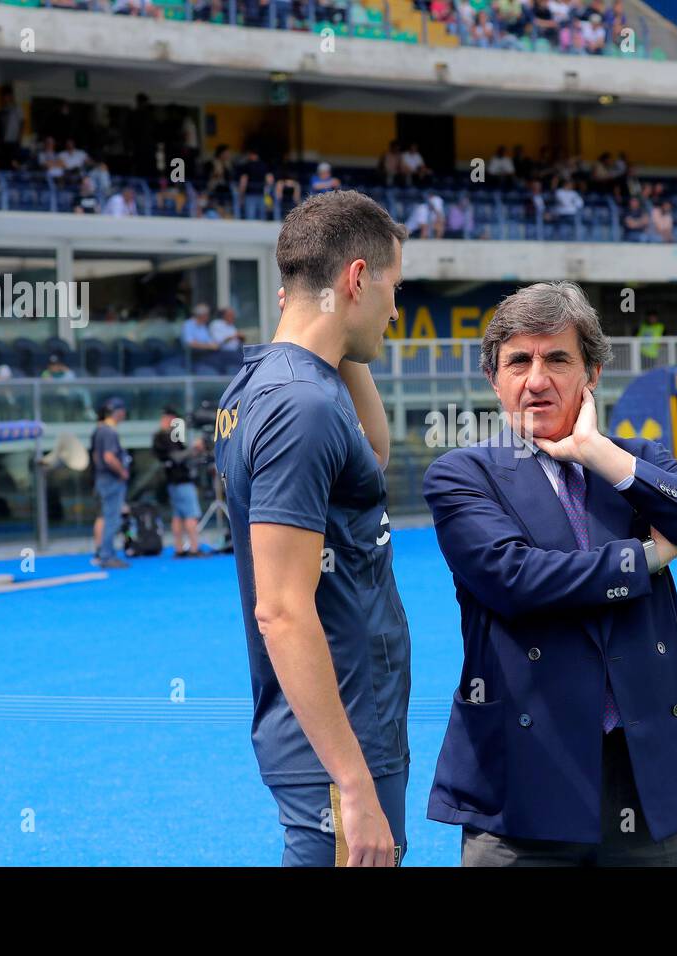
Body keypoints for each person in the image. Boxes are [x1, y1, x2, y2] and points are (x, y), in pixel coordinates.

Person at [421, 280, 677, 866]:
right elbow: (515, 580)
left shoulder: (635, 462)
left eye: (557, 359)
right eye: (518, 361)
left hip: (644, 773)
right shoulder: (463, 474)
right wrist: (643, 559)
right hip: (525, 781)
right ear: (494, 379)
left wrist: (601, 454)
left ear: (591, 374)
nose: (536, 380)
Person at [213, 190, 410, 867]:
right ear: (358, 278)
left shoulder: (276, 386)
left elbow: (370, 461)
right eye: (391, 288)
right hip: (337, 752)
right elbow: (282, 610)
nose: (395, 309)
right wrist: (354, 785)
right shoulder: (301, 406)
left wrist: (337, 336)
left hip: (343, 736)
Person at [153, 406, 204, 558]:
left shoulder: (162, 437)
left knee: (178, 516)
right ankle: (194, 548)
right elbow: (177, 457)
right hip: (180, 481)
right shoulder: (165, 437)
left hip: (172, 482)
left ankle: (179, 548)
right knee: (190, 514)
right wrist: (194, 448)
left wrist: (193, 451)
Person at [90, 397, 131, 570]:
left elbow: (95, 456)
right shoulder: (109, 431)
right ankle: (107, 556)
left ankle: (102, 552)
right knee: (111, 519)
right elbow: (109, 457)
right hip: (111, 480)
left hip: (102, 478)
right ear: (119, 412)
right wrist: (122, 472)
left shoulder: (99, 430)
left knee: (104, 517)